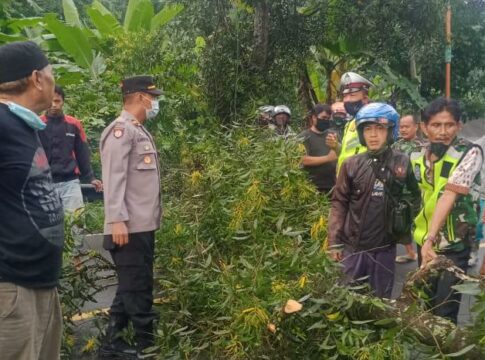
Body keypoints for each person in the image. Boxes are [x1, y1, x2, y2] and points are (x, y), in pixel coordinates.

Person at [0, 41, 64, 359]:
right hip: (11, 289)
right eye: (52, 73)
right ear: (37, 78)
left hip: (39, 283)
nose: (54, 81)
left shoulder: (23, 125)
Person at [328, 103, 420, 298]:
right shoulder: (351, 164)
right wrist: (334, 242)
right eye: (368, 129)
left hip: (384, 250)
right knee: (349, 302)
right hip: (353, 249)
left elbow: (414, 194)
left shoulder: (402, 161)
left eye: (380, 128)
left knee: (381, 305)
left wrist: (403, 219)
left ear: (390, 131)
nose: (373, 134)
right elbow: (339, 203)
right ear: (361, 133)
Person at [99, 75, 162, 358]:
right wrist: (117, 220)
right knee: (138, 289)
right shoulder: (121, 131)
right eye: (152, 97)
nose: (155, 102)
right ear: (139, 97)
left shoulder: (138, 130)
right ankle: (147, 345)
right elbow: (114, 178)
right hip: (129, 226)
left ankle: (112, 343)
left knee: (130, 285)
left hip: (141, 225)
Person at [413, 97, 483, 324]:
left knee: (445, 310)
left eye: (449, 125)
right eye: (436, 125)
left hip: (453, 243)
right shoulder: (415, 154)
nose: (443, 131)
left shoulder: (469, 153)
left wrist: (430, 239)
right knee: (426, 304)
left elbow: (448, 195)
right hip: (424, 241)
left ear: (458, 126)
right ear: (424, 127)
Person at [39, 85, 102, 260]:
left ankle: (75, 259)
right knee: (46, 224)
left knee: (77, 222)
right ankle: (51, 261)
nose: (53, 105)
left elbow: (82, 153)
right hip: (45, 184)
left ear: (63, 102)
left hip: (70, 182)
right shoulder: (37, 124)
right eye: (50, 101)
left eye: (57, 101)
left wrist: (91, 178)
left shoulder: (73, 125)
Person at [392, 114, 426, 264]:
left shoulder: (422, 147)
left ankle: (425, 255)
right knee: (401, 222)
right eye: (401, 126)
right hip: (399, 191)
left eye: (406, 126)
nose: (403, 129)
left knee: (420, 224)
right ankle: (411, 253)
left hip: (416, 192)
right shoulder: (395, 146)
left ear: (416, 127)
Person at [326, 72, 373, 174]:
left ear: (365, 99)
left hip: (361, 181)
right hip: (345, 181)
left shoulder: (372, 122)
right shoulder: (350, 123)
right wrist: (336, 146)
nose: (347, 100)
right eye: (345, 96)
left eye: (352, 95)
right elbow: (346, 152)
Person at [298, 103, 337, 194]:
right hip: (312, 187)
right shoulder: (304, 137)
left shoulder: (333, 134)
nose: (325, 121)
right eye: (323, 118)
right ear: (314, 117)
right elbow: (302, 159)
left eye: (328, 118)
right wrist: (328, 158)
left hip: (333, 185)